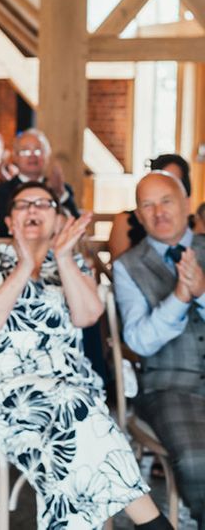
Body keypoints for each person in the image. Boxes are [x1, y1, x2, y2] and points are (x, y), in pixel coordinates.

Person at [0, 181, 173, 530]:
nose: (32, 210)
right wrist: (23, 267)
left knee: (67, 447)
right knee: (80, 414)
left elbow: (88, 315)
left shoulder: (72, 262)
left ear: (58, 219)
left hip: (70, 387)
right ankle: (152, 522)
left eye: (43, 204)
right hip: (2, 390)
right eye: (23, 205)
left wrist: (61, 258)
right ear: (10, 221)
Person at [113, 171, 205, 529]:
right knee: (198, 459)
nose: (158, 212)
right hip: (169, 387)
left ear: (185, 204)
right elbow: (138, 340)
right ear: (137, 215)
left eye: (166, 201)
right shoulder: (127, 266)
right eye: (147, 206)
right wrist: (181, 298)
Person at [0, 128, 79, 239]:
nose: (32, 156)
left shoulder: (62, 189)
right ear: (15, 157)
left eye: (38, 151)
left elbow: (77, 227)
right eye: (25, 151)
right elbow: (3, 229)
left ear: (47, 155)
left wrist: (59, 194)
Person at [109, 153, 193, 260]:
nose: (159, 213)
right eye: (162, 177)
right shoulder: (126, 221)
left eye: (175, 181)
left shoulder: (194, 226)